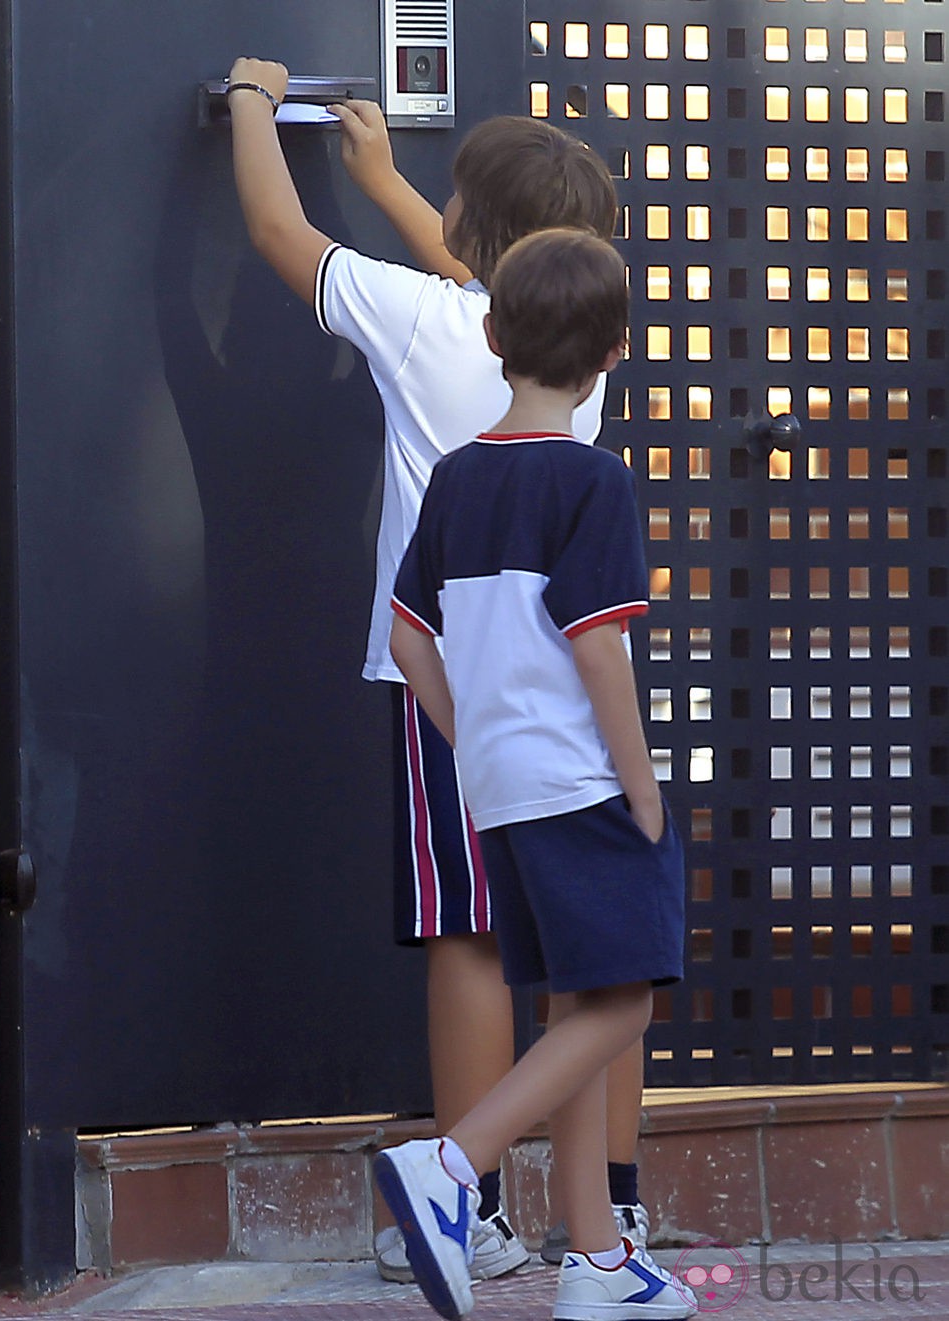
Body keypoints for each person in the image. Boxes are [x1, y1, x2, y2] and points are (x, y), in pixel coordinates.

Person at [227, 58, 653, 1279]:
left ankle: (470, 1218)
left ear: (471, 232)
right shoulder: (579, 358)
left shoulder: (417, 321)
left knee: (469, 935)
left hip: (453, 697)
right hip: (568, 692)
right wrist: (394, 180)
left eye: (453, 205)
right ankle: (609, 1222)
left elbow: (275, 229)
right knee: (599, 951)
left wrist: (253, 103)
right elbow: (499, 281)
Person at [382, 229, 694, 1321]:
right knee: (627, 993)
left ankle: (596, 1266)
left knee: (578, 999)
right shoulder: (594, 481)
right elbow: (598, 646)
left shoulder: (458, 475)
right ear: (615, 350)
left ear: (491, 331)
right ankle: (450, 1166)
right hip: (581, 780)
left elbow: (407, 630)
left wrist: (470, 734)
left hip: (501, 786)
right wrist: (640, 782)